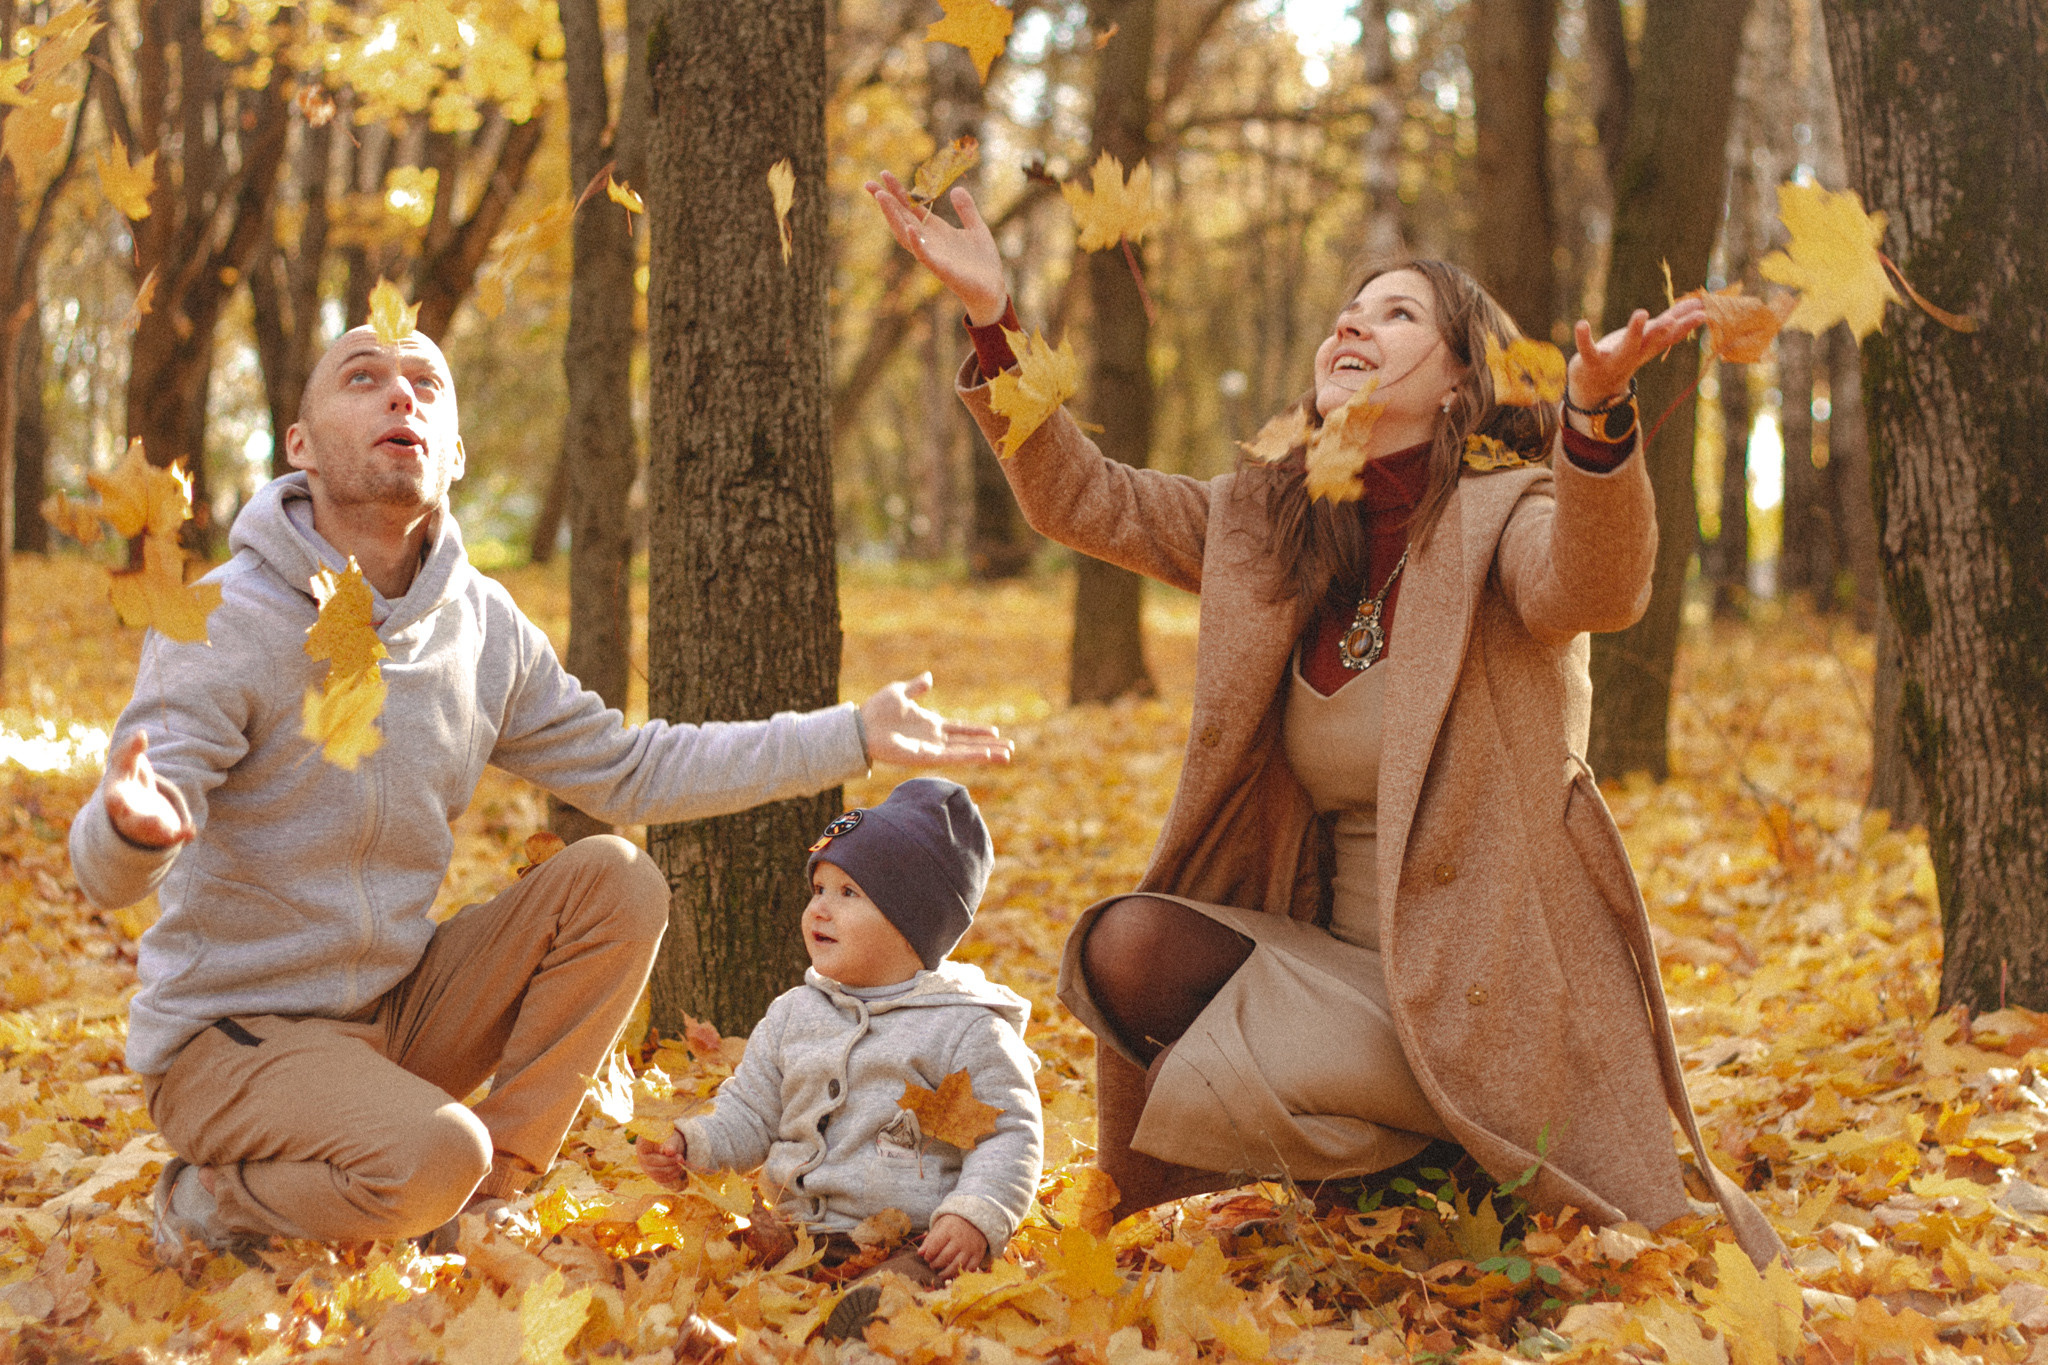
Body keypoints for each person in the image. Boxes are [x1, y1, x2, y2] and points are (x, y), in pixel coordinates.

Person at [867, 174, 1784, 1267]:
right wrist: (992, 318)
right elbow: (1085, 496)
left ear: (1457, 386)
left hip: (1489, 983)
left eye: (1400, 315)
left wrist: (1591, 420)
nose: (1354, 322)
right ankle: (1416, 1158)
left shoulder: (1508, 513)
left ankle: (1467, 1142)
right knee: (1127, 946)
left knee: (1531, 1144)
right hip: (1333, 970)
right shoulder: (1265, 521)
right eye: (1352, 309)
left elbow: (1595, 588)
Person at [70, 323, 1013, 1262]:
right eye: (363, 377)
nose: (401, 395)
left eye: (427, 384)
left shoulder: (479, 626)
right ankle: (213, 1196)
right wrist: (128, 830)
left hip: (391, 1016)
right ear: (302, 444)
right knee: (435, 1153)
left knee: (618, 880)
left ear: (456, 452)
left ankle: (486, 1194)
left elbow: (633, 768)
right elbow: (109, 874)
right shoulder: (229, 616)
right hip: (230, 1041)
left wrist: (851, 734)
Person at [636, 777, 1043, 1309]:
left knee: (909, 1281)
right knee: (704, 1269)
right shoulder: (794, 1013)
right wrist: (694, 1146)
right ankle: (647, 1287)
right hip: (795, 1231)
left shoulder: (964, 1028)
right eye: (819, 890)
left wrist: (975, 1213)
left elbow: (1009, 1134)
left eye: (848, 893)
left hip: (913, 1235)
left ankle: (872, 1311)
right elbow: (752, 1113)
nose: (820, 910)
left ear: (911, 923)